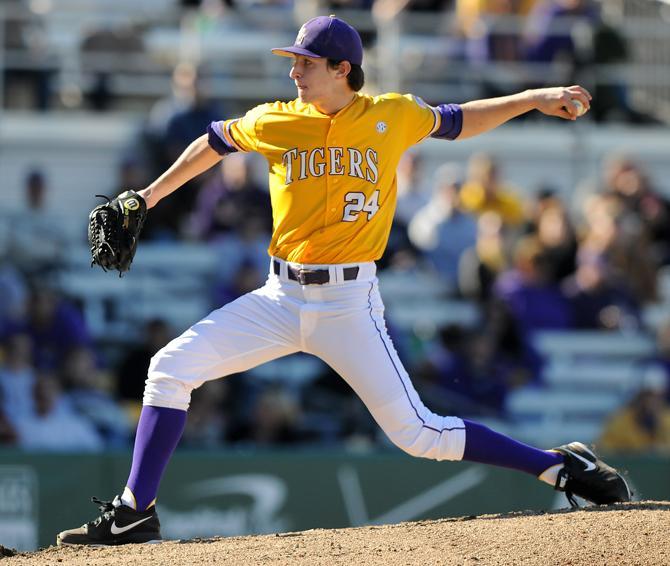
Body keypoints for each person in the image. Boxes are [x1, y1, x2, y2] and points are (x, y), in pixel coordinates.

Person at [56, 15, 630, 546]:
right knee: (169, 368)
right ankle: (135, 509)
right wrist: (147, 197)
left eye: (305, 62)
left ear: (342, 71)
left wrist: (533, 97)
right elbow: (213, 140)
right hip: (279, 296)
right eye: (294, 60)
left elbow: (460, 120)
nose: (293, 70)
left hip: (348, 304)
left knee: (419, 435)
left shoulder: (392, 115)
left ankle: (558, 466)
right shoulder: (277, 119)